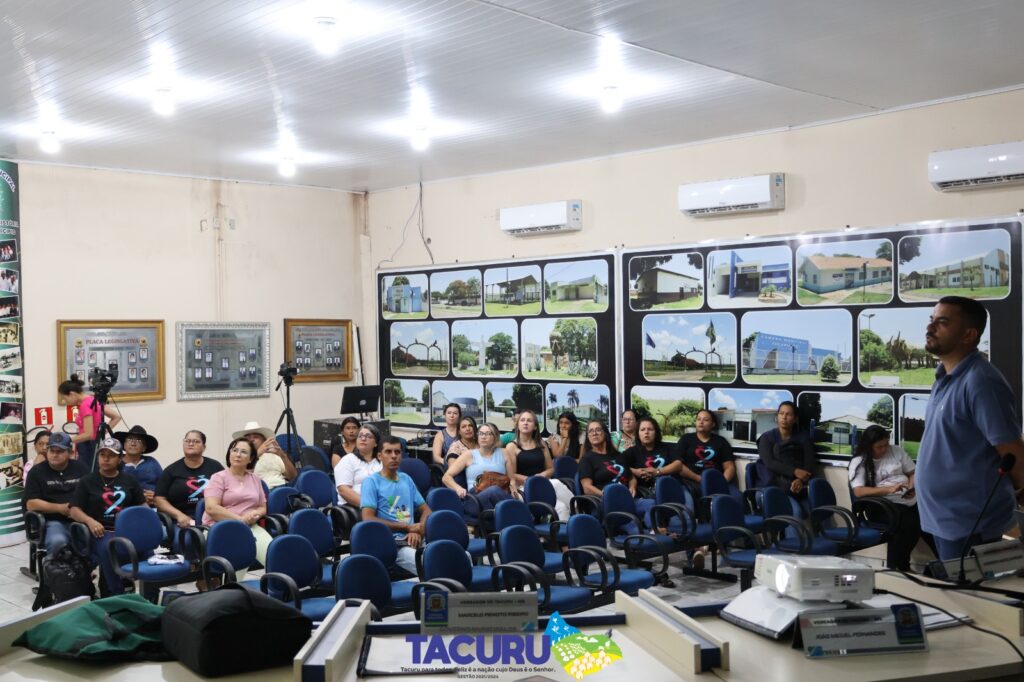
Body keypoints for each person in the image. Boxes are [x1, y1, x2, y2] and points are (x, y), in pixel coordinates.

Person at [916, 296, 1024, 561]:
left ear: (968, 335)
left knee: (967, 601)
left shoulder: (981, 382)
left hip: (970, 525)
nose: (930, 328)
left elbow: (1013, 453)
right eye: (932, 321)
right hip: (943, 521)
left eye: (942, 322)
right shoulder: (944, 377)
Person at [69, 437, 146, 596]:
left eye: (111, 455)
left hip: (127, 530)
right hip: (100, 531)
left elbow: (142, 506)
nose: (106, 458)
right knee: (109, 549)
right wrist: (90, 521)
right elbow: (74, 510)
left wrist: (146, 521)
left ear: (119, 459)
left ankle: (149, 595)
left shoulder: (129, 480)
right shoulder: (87, 481)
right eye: (102, 455)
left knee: (148, 551)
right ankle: (114, 593)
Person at [849, 425, 924, 572]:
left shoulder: (896, 451)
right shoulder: (859, 461)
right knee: (909, 523)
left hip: (905, 498)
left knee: (927, 521)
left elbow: (912, 473)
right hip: (880, 505)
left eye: (886, 444)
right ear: (869, 446)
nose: (884, 449)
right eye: (879, 447)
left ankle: (944, 565)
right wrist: (889, 489)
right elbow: (858, 491)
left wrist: (911, 487)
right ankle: (900, 567)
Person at [360, 436, 432, 575]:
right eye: (388, 452)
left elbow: (426, 510)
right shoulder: (371, 482)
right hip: (393, 544)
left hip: (415, 537)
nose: (394, 456)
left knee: (462, 556)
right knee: (432, 565)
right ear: (380, 456)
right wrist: (407, 527)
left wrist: (417, 530)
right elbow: (368, 519)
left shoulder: (406, 479)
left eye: (397, 452)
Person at [203, 437, 271, 570]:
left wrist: (255, 514)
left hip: (250, 527)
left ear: (250, 459)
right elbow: (211, 508)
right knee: (237, 564)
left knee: (274, 556)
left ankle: (279, 588)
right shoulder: (218, 477)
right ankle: (232, 588)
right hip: (222, 527)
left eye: (244, 452)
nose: (238, 454)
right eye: (234, 450)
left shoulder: (255, 479)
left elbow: (262, 507)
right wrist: (240, 520)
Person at [24, 432, 88, 557]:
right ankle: (55, 573)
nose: (54, 455)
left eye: (60, 451)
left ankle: (84, 571)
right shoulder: (36, 472)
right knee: (58, 542)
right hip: (52, 521)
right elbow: (31, 503)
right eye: (51, 450)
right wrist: (60, 508)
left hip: (80, 518)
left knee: (96, 540)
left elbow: (90, 494)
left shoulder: (81, 468)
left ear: (70, 453)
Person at [154, 430, 224, 530]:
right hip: (181, 521)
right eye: (187, 441)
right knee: (189, 541)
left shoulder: (215, 467)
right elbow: (159, 500)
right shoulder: (171, 470)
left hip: (213, 518)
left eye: (196, 441)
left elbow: (227, 491)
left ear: (204, 447)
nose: (191, 444)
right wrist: (179, 516)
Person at [674, 409, 742, 505]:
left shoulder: (721, 441)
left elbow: (729, 467)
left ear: (713, 424)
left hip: (716, 481)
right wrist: (699, 479)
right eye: (698, 419)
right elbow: (678, 465)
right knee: (688, 500)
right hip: (691, 482)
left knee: (737, 496)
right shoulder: (686, 439)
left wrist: (721, 482)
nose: (701, 422)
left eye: (705, 420)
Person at [757, 401, 817, 510]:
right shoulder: (767, 438)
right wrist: (795, 471)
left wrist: (800, 480)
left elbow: (809, 463)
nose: (784, 417)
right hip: (772, 485)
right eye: (781, 413)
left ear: (795, 419)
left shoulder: (803, 438)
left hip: (798, 485)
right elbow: (769, 463)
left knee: (816, 510)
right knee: (795, 512)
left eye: (788, 414)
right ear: (777, 416)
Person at [442, 422, 515, 510]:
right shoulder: (468, 455)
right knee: (493, 490)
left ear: (495, 437)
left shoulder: (504, 452)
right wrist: (458, 488)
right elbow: (446, 477)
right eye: (481, 433)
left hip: (500, 495)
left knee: (498, 494)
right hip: (476, 497)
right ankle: (522, 513)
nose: (483, 437)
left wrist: (514, 489)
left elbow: (512, 480)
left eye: (488, 434)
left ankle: (515, 513)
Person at [58, 375, 121, 472]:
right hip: (93, 443)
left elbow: (88, 434)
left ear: (72, 394)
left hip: (87, 447)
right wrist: (100, 433)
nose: (64, 401)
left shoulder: (85, 406)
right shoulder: (92, 400)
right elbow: (116, 416)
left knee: (87, 474)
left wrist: (66, 440)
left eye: (65, 398)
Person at [234, 421, 297, 489]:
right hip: (262, 491)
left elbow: (293, 477)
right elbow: (239, 479)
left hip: (283, 487)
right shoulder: (240, 458)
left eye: (255, 437)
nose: (251, 439)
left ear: (264, 440)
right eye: (248, 438)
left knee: (307, 470)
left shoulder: (274, 455)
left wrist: (283, 456)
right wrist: (257, 454)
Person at [577, 420, 632, 497]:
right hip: (605, 501)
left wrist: (633, 487)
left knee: (649, 504)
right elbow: (587, 488)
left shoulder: (619, 456)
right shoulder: (586, 459)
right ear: (588, 437)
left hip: (627, 498)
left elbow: (631, 477)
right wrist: (607, 496)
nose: (594, 433)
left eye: (598, 430)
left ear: (605, 433)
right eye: (590, 431)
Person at [335, 424, 382, 507]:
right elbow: (343, 490)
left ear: (376, 443)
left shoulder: (381, 462)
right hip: (353, 508)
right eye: (360, 436)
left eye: (368, 436)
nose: (363, 439)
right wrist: (369, 506)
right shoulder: (348, 460)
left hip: (380, 505)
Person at [505, 409, 554, 489]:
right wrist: (531, 480)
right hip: (523, 487)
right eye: (522, 420)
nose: (525, 423)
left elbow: (551, 469)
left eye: (529, 420)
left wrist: (543, 475)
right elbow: (511, 474)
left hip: (544, 482)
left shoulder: (541, 443)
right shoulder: (511, 446)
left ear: (535, 426)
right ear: (518, 425)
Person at [114, 425, 163, 505]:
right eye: (130, 439)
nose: (133, 443)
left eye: (139, 440)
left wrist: (156, 494)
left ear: (144, 448)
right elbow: (110, 488)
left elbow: (163, 485)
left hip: (152, 506)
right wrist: (140, 498)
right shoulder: (116, 463)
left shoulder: (152, 462)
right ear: (124, 445)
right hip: (124, 506)